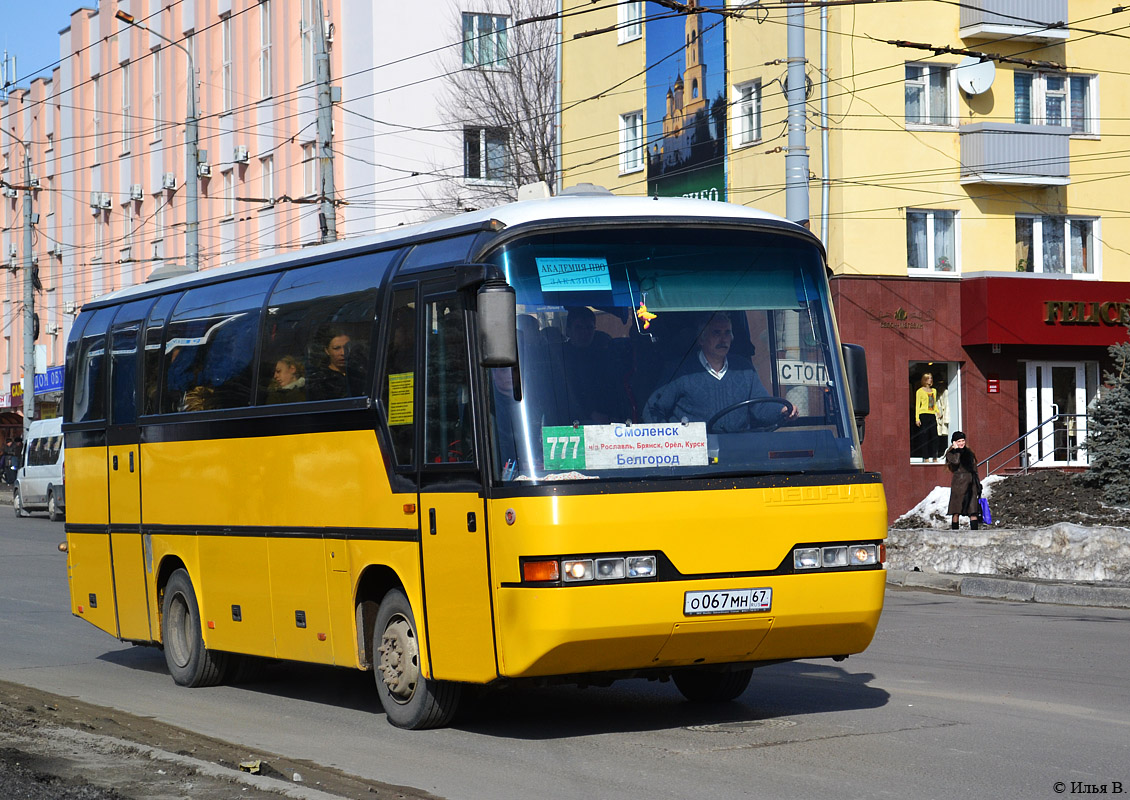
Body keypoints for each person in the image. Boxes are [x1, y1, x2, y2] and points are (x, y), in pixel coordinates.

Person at [643, 311, 798, 432]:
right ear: (701, 339)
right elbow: (653, 410)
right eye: (716, 333)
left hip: (740, 451)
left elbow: (761, 408)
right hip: (694, 454)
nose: (723, 339)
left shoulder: (744, 369)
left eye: (727, 333)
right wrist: (671, 442)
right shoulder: (680, 370)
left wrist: (782, 411)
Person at [945, 430, 982, 530]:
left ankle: (975, 534)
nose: (961, 443)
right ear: (954, 442)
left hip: (971, 484)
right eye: (959, 441)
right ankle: (955, 534)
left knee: (973, 510)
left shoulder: (969, 452)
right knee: (956, 510)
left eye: (963, 440)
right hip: (959, 485)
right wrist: (957, 450)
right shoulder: (951, 454)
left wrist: (978, 484)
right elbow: (956, 462)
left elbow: (974, 468)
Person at [307, 326, 354, 401]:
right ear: (327, 351)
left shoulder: (361, 373)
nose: (343, 353)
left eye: (347, 347)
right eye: (336, 348)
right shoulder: (320, 381)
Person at [912, 372, 940, 461]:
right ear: (924, 380)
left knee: (934, 436)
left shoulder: (934, 391)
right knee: (924, 436)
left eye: (931, 378)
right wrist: (917, 418)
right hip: (923, 414)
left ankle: (935, 456)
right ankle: (926, 456)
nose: (930, 380)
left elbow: (934, 403)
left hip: (932, 415)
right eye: (928, 378)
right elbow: (917, 405)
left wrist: (938, 411)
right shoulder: (919, 391)